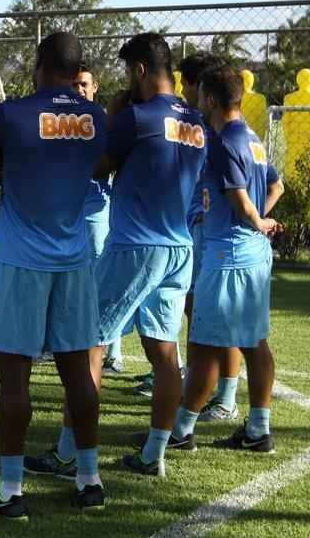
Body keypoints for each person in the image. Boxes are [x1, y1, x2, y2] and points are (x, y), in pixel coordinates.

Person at [0, 32, 108, 518]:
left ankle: (11, 491)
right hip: (74, 257)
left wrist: (19, 166)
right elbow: (102, 165)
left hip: (20, 259)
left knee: (14, 380)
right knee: (78, 375)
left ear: (39, 64)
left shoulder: (10, 114)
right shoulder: (96, 117)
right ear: (77, 72)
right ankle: (89, 480)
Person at [88, 34, 207, 479]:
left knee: (90, 342)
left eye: (126, 72)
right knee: (163, 353)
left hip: (136, 245)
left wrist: (113, 116)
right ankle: (153, 453)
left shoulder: (137, 116)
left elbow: (98, 165)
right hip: (180, 247)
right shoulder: (196, 121)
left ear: (139, 69)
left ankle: (68, 453)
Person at [171, 66, 284, 453]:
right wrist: (261, 224)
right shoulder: (252, 137)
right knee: (255, 342)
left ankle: (181, 431)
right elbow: (276, 184)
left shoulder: (221, 142)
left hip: (228, 255)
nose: (197, 101)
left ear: (213, 100)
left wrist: (257, 220)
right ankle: (258, 430)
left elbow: (239, 200)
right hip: (253, 255)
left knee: (204, 348)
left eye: (200, 95)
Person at [177, 54, 244, 423]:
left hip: (215, 234)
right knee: (198, 312)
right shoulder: (206, 125)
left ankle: (226, 397)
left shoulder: (226, 133)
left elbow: (261, 183)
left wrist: (252, 218)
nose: (187, 94)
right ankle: (201, 385)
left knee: (221, 318)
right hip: (197, 228)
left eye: (189, 86)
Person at [75, 64, 119, 372]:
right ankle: (68, 344)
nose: (78, 89)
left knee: (103, 283)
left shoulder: (104, 121)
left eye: (84, 84)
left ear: (95, 86)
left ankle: (113, 354)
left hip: (96, 213)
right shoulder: (62, 120)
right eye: (74, 83)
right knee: (72, 281)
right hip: (68, 212)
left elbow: (111, 163)